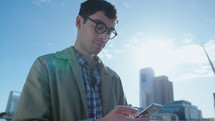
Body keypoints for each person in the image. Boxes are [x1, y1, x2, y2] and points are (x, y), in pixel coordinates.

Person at [12, 0, 150, 121]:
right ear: (79, 22)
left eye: (109, 31)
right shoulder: (45, 66)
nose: (104, 37)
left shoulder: (114, 78)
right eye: (99, 27)